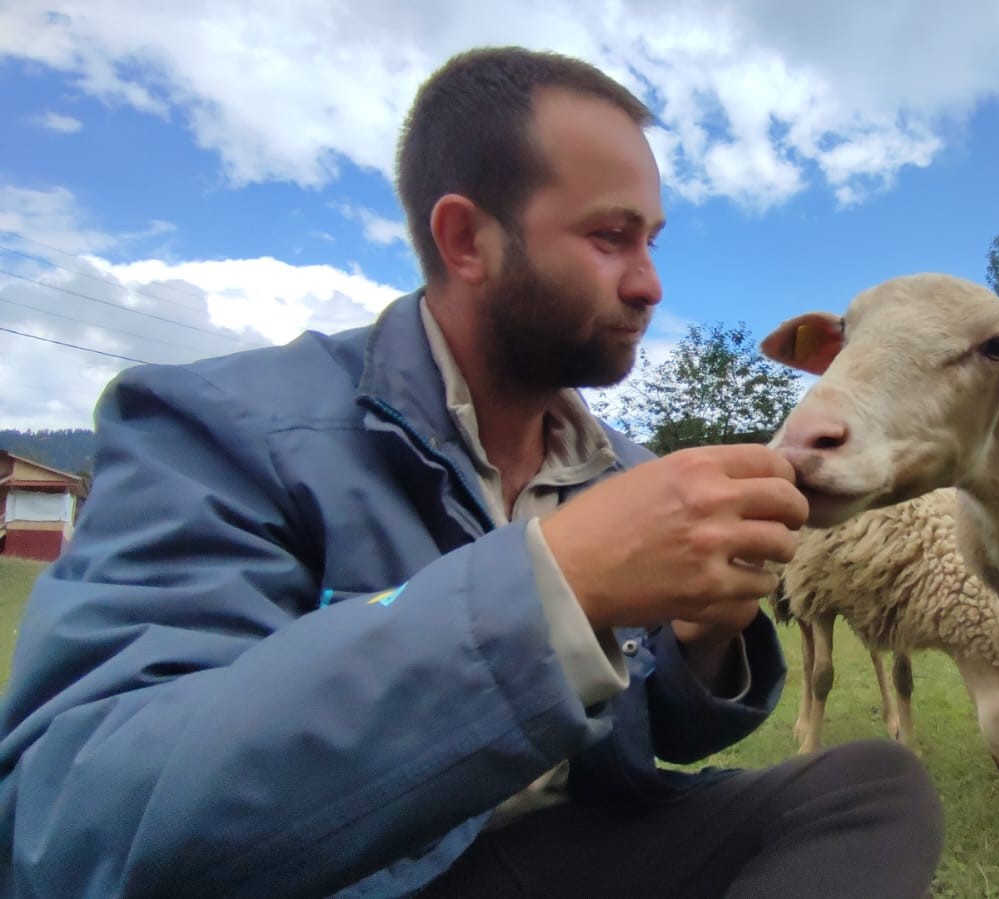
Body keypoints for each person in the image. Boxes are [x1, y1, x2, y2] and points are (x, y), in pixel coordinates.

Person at [0, 47, 943, 898]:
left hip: (548, 853)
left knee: (868, 787)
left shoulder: (618, 466)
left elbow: (633, 746)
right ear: (466, 241)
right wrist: (554, 585)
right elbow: (76, 820)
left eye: (652, 239)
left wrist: (698, 638)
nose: (651, 282)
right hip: (362, 875)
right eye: (611, 237)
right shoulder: (221, 428)